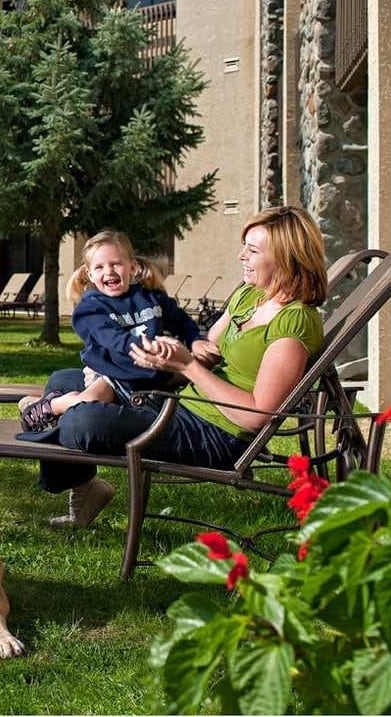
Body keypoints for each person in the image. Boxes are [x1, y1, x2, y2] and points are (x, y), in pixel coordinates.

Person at [25, 206, 328, 529]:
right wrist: (159, 356)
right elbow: (206, 348)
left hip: (218, 433)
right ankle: (86, 487)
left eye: (252, 250)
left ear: (285, 257)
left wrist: (188, 367)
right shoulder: (248, 297)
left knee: (82, 420)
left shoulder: (293, 322)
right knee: (65, 377)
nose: (241, 256)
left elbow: (259, 416)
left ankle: (56, 415)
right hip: (183, 401)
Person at [18, 230, 220, 436]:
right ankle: (52, 406)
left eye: (116, 264)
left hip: (149, 371)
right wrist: (146, 348)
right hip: (111, 370)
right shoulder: (90, 308)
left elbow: (182, 321)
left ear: (131, 267)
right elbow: (112, 339)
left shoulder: (151, 297)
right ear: (90, 274)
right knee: (91, 401)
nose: (109, 271)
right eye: (99, 267)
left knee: (187, 376)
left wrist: (195, 341)